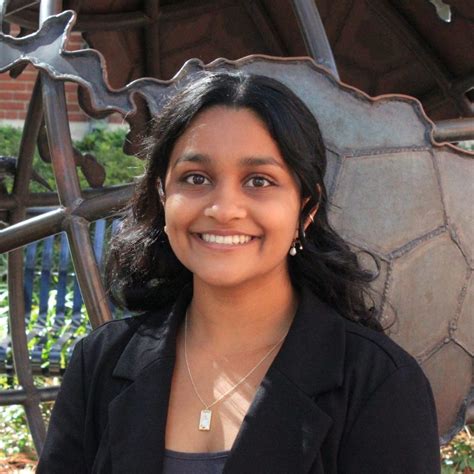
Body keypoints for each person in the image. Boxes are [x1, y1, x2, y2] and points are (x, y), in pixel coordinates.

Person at [37, 72, 440, 473]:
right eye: (196, 178)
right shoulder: (99, 364)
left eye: (258, 181)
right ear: (163, 195)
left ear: (306, 208)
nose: (223, 209)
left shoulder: (379, 383)